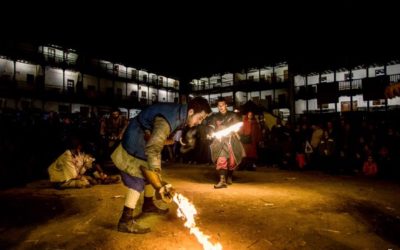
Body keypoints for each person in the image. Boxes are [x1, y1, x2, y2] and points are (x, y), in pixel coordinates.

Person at [111, 96, 211, 234]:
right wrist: (156, 174)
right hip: (135, 140)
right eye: (200, 118)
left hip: (144, 139)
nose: (200, 122)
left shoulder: (180, 114)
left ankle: (148, 205)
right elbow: (153, 148)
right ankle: (125, 221)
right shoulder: (167, 120)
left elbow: (162, 137)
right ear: (191, 112)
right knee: (138, 180)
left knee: (149, 174)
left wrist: (178, 141)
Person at [48, 136, 121, 189]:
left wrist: (102, 173)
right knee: (85, 183)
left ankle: (103, 179)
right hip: (61, 180)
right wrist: (86, 178)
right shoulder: (67, 156)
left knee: (90, 168)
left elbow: (91, 163)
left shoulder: (78, 153)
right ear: (78, 147)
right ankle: (99, 180)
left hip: (72, 175)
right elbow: (74, 176)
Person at [207, 97, 245, 189]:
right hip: (220, 141)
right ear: (217, 106)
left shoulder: (233, 115)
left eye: (222, 105)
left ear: (226, 105)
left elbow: (238, 127)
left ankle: (230, 176)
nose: (221, 107)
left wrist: (235, 131)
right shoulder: (215, 117)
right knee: (221, 159)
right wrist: (209, 133)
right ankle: (222, 180)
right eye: (219, 106)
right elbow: (211, 127)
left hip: (231, 140)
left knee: (232, 161)